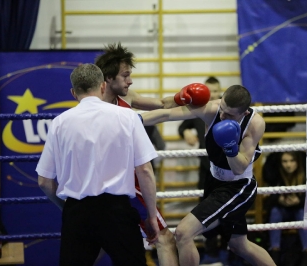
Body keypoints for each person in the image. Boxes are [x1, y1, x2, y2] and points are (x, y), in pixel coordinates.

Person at [95, 43, 209, 266]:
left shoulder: (125, 98)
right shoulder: (97, 108)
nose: (130, 81)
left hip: (107, 185)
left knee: (96, 244)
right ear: (108, 78)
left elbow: (161, 104)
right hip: (125, 183)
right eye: (125, 75)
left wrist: (181, 97)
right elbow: (158, 116)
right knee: (163, 238)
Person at [36, 64, 159, 266]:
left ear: (73, 92)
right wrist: (152, 217)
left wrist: (66, 208)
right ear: (103, 86)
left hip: (77, 213)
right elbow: (145, 170)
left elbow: (44, 182)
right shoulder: (127, 116)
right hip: (117, 212)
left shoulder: (59, 122)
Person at [141, 85, 276, 266]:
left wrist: (230, 148)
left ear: (243, 114)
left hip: (238, 187)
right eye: (223, 110)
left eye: (229, 115)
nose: (222, 117)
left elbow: (239, 167)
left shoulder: (255, 123)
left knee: (183, 233)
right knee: (239, 245)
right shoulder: (213, 110)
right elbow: (168, 114)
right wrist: (133, 119)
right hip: (213, 181)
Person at [177, 76, 229, 265]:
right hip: (205, 169)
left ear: (220, 91)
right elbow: (182, 125)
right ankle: (211, 252)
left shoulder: (228, 111)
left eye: (216, 91)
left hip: (226, 170)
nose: (214, 94)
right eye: (211, 91)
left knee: (226, 212)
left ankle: (225, 250)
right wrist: (186, 132)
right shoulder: (201, 110)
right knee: (204, 213)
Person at [263, 151, 307, 266]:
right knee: (275, 212)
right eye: (285, 161)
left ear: (297, 162)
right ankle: (274, 252)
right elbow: (269, 201)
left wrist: (299, 202)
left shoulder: (305, 175)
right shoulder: (276, 175)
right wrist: (279, 200)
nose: (288, 165)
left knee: (302, 214)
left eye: (292, 161)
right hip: (282, 210)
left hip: (298, 210)